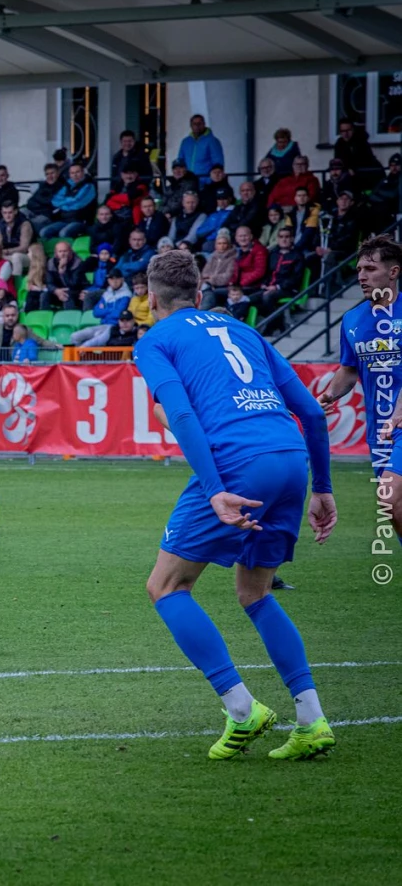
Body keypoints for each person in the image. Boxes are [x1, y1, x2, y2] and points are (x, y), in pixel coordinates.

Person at [133, 249, 337, 760]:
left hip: (237, 465)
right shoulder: (244, 330)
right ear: (200, 293)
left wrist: (213, 488)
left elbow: (180, 413)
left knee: (166, 586)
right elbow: (313, 413)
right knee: (255, 592)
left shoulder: (155, 340)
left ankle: (242, 709)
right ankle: (311, 719)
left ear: (151, 299)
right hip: (290, 459)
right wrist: (322, 487)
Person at [319, 236, 402, 538]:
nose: (361, 276)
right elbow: (348, 370)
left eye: (370, 268)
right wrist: (327, 396)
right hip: (379, 430)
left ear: (393, 272)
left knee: (388, 498)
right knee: (394, 508)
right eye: (358, 270)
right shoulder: (352, 319)